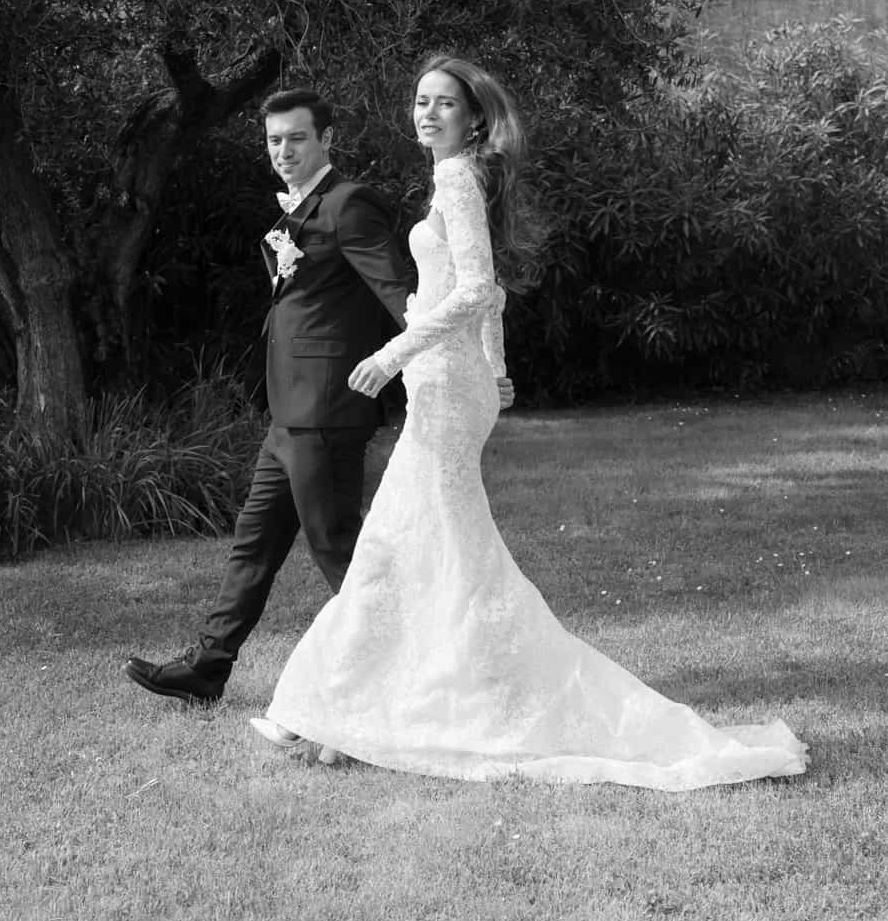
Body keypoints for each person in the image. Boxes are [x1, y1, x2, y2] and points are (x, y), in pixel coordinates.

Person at [251, 57, 809, 789]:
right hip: (454, 379)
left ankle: (333, 713)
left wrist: (393, 353)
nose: (427, 114)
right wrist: (496, 366)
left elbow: (477, 289)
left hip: (441, 386)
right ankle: (349, 712)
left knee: (400, 545)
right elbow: (491, 298)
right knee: (424, 547)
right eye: (421, 102)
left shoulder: (456, 179)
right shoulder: (461, 175)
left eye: (443, 105)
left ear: (473, 117)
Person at [125, 86, 513, 706]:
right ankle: (208, 665)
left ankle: (411, 676)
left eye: (297, 138)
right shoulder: (295, 213)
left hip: (330, 406)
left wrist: (419, 357)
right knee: (254, 542)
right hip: (290, 411)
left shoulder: (348, 204)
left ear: (326, 140)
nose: (283, 150)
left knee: (341, 549)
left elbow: (402, 292)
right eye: (274, 140)